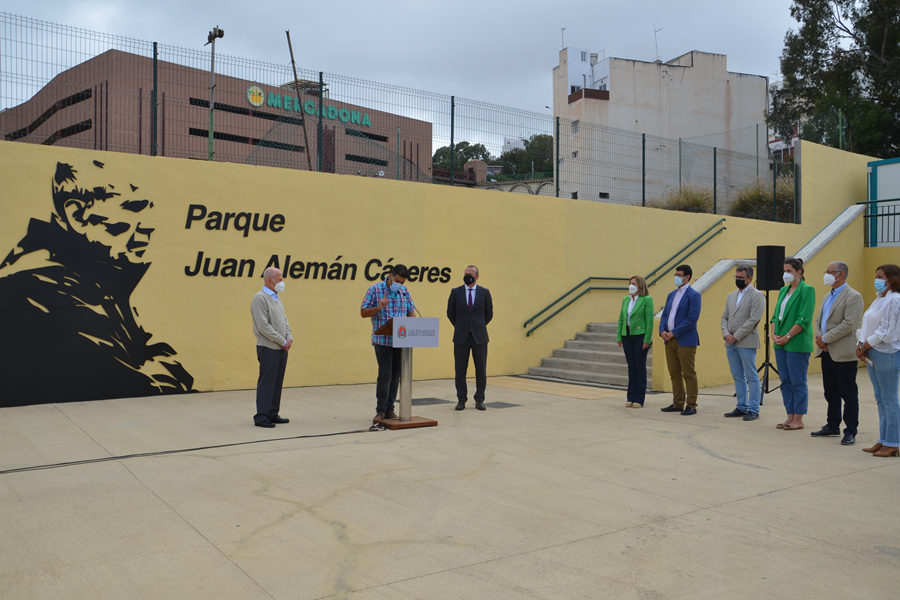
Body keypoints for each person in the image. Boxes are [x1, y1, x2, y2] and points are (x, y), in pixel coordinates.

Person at [0, 159, 194, 407]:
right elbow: (128, 380)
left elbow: (136, 350)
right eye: (134, 209)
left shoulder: (99, 279)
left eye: (149, 209)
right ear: (77, 215)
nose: (147, 227)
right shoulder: (35, 289)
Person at [810, 261, 864, 445]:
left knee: (848, 393)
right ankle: (832, 425)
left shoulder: (853, 296)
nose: (826, 274)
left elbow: (849, 324)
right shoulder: (827, 296)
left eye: (829, 272)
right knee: (830, 392)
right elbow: (818, 320)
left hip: (842, 352)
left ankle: (850, 431)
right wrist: (820, 338)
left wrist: (825, 339)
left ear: (840, 274)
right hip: (826, 350)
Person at [360, 264, 417, 423]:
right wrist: (378, 307)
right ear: (390, 275)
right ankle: (380, 410)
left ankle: (390, 409)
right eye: (397, 280)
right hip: (382, 340)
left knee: (396, 376)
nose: (399, 284)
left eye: (403, 282)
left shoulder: (404, 292)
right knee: (385, 375)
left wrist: (416, 326)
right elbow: (363, 312)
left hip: (401, 340)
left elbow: (410, 311)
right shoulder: (375, 289)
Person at [856, 264, 900, 457]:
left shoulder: (894, 300)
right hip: (872, 351)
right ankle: (883, 439)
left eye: (880, 276)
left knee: (889, 399)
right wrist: (860, 345)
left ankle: (893, 442)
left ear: (891, 279)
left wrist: (865, 346)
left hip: (886, 352)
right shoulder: (879, 299)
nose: (877, 280)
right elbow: (866, 326)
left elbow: (887, 332)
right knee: (880, 398)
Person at [770, 257, 816, 431]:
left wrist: (788, 336)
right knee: (786, 381)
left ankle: (799, 418)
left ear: (799, 272)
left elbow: (804, 318)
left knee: (798, 381)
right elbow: (775, 316)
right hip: (780, 342)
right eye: (784, 270)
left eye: (789, 271)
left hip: (796, 342)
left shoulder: (807, 290)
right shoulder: (783, 290)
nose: (785, 274)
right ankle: (789, 416)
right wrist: (774, 334)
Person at [721, 264, 766, 421]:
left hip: (746, 341)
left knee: (751, 375)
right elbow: (724, 317)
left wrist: (736, 335)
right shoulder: (731, 295)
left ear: (750, 278)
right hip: (730, 341)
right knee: (737, 375)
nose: (738, 280)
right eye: (737, 277)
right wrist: (726, 334)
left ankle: (753, 408)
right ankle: (741, 406)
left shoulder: (757, 295)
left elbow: (754, 319)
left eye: (741, 278)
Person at [447, 265, 494, 410]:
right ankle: (461, 399)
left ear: (477, 276)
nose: (468, 276)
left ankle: (479, 399)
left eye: (471, 274)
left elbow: (489, 314)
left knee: (481, 369)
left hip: (479, 336)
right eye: (466, 273)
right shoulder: (455, 292)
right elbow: (450, 313)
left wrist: (476, 326)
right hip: (461, 336)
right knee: (460, 369)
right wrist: (462, 326)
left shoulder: (484, 292)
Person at [251, 267, 293, 428]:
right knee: (267, 382)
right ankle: (261, 416)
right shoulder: (259, 298)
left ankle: (272, 413)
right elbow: (263, 326)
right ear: (270, 280)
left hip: (281, 347)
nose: (282, 282)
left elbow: (284, 320)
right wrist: (282, 341)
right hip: (268, 347)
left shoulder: (276, 298)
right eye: (280, 279)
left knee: (277, 381)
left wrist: (289, 338)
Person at [659, 265, 702, 415]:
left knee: (688, 373)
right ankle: (677, 403)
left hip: (685, 340)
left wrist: (674, 333)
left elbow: (692, 318)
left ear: (687, 277)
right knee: (674, 373)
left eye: (679, 275)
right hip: (669, 339)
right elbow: (665, 314)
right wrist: (662, 331)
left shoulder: (693, 295)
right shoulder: (671, 294)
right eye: (675, 274)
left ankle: (691, 404)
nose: (676, 277)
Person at [616, 275, 653, 408]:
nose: (631, 286)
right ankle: (630, 396)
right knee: (631, 367)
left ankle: (639, 398)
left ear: (640, 286)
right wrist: (619, 336)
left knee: (640, 367)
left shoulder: (646, 300)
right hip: (627, 335)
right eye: (630, 283)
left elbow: (649, 321)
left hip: (640, 335)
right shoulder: (626, 299)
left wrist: (647, 339)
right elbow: (621, 318)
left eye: (634, 284)